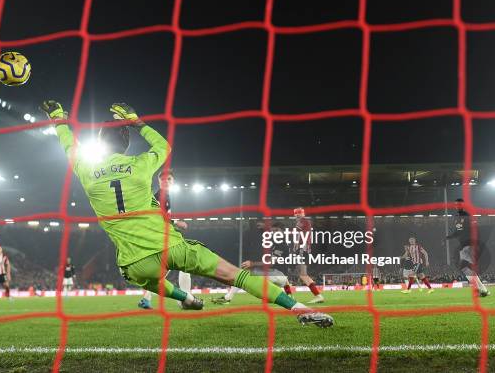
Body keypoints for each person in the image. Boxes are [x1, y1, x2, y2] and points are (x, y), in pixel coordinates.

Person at [40, 101, 333, 327]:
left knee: (153, 283)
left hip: (134, 261)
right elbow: (163, 146)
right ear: (126, 142)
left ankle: (187, 298)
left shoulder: (86, 170)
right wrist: (137, 121)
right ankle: (301, 310)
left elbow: (69, 145)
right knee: (237, 276)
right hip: (172, 247)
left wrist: (59, 117)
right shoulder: (141, 164)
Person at [138, 170, 189, 310]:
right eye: (163, 179)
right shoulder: (161, 196)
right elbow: (159, 216)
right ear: (159, 181)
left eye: (169, 179)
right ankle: (186, 299)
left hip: (160, 235)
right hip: (158, 236)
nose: (166, 181)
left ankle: (146, 299)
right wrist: (176, 222)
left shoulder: (164, 196)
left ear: (173, 182)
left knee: (164, 270)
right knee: (185, 261)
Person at [447, 198, 490, 297]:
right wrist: (449, 237)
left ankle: (480, 289)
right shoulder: (457, 217)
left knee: (465, 267)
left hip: (469, 244)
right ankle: (482, 290)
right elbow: (458, 231)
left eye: (460, 204)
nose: (458, 206)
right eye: (456, 204)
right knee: (467, 269)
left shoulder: (467, 216)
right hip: (463, 245)